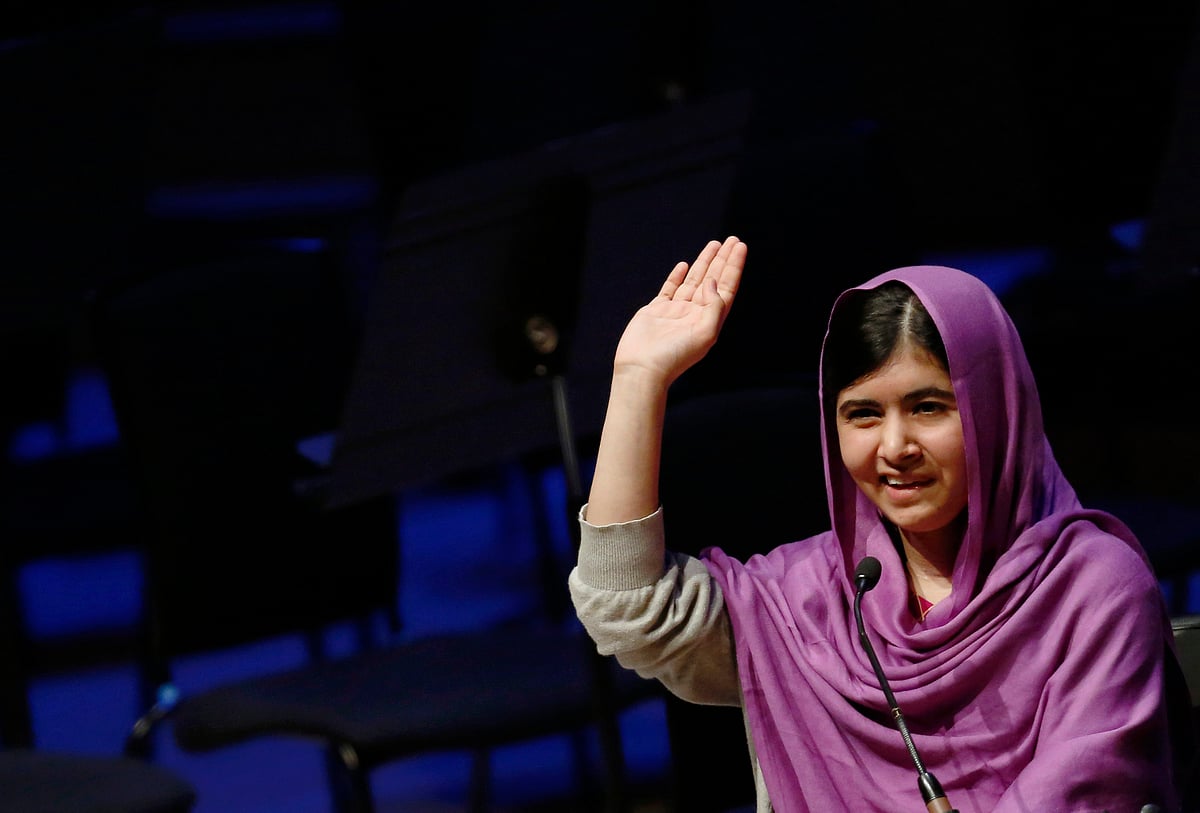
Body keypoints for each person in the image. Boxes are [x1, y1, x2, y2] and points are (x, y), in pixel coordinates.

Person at [568, 236, 1193, 812]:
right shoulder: (810, 601)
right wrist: (638, 381)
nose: (894, 446)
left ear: (996, 409)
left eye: (928, 407)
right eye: (862, 415)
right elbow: (627, 608)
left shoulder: (1091, 587)